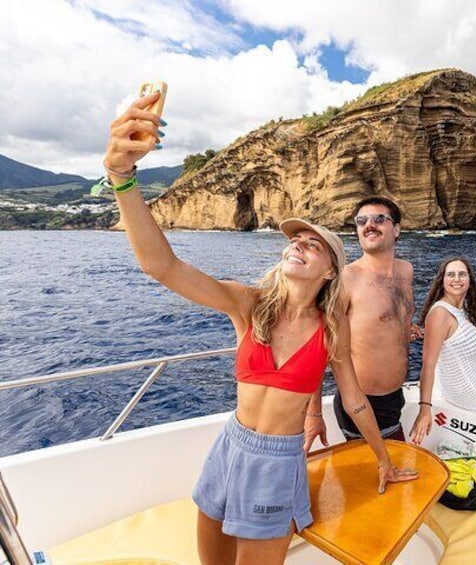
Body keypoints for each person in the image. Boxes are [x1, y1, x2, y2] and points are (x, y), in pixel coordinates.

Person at [103, 90, 417, 564]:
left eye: (315, 244)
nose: (300, 245)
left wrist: (385, 459)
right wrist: (121, 177)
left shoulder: (331, 329)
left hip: (277, 460)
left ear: (330, 270)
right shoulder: (248, 305)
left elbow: (353, 400)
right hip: (230, 445)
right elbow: (161, 265)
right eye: (296, 240)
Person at [305, 196, 416, 448]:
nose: (369, 225)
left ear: (396, 229)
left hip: (395, 397)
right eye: (361, 221)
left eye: (379, 219)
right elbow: (318, 346)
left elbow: (390, 318)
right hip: (359, 403)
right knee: (378, 475)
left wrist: (405, 328)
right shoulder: (347, 278)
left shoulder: (406, 271)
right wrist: (313, 413)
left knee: (390, 474)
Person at [410, 257, 476, 444]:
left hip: (464, 387)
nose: (456, 279)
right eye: (451, 275)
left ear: (469, 280)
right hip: (474, 394)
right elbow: (428, 365)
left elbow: (474, 326)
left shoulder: (461, 308)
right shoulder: (440, 314)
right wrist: (424, 409)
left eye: (462, 274)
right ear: (442, 280)